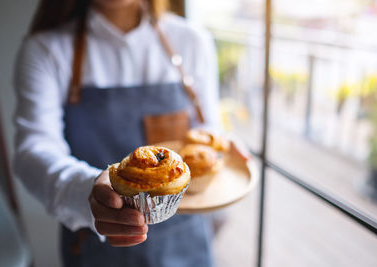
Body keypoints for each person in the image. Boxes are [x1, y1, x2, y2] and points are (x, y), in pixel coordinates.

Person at [13, 0, 221, 266]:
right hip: (95, 247)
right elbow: (33, 149)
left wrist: (223, 148)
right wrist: (85, 190)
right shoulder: (45, 50)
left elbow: (207, 130)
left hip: (184, 243)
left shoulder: (192, 40)